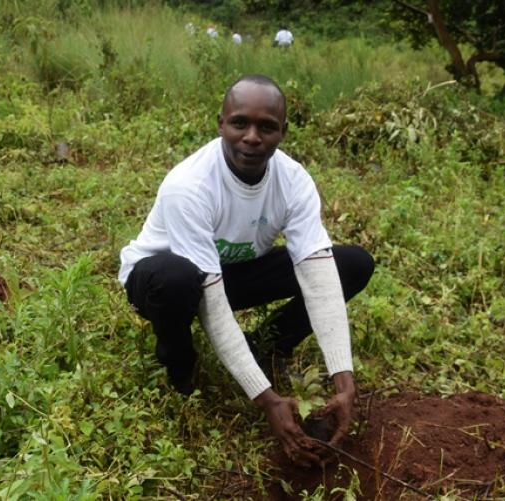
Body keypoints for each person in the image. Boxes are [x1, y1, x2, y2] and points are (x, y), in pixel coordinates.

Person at [118, 75, 374, 465]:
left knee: (350, 264)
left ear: (283, 132)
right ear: (221, 123)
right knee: (178, 280)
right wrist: (268, 399)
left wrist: (344, 381)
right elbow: (212, 301)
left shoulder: (294, 181)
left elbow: (319, 277)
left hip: (230, 272)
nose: (252, 137)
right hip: (162, 281)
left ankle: (268, 344)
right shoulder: (188, 185)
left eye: (266, 126)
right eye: (240, 123)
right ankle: (180, 366)